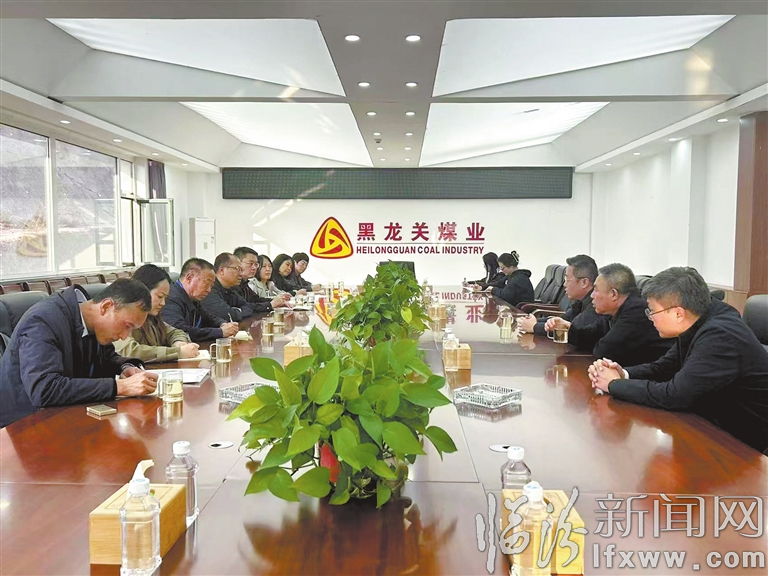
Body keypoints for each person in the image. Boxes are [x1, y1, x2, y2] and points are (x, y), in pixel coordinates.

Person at [589, 267, 768, 454]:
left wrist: (613, 384)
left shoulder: (720, 335)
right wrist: (623, 374)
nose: (650, 318)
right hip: (708, 422)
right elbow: (665, 366)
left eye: (652, 311)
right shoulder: (699, 318)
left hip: (741, 444)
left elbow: (676, 395)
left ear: (678, 314)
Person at [0, 279, 159, 427]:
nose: (125, 336)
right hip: (25, 426)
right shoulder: (42, 321)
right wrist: (120, 387)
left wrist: (125, 368)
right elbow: (44, 389)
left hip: (67, 417)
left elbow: (106, 357)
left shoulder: (90, 321)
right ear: (106, 307)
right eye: (127, 326)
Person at [547, 263, 671, 366]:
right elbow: (590, 334)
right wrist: (568, 329)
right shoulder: (613, 310)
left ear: (613, 294)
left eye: (596, 290)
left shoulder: (636, 311)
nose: (592, 295)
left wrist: (595, 341)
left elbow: (603, 351)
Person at [114, 265, 199, 362]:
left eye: (165, 298)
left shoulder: (152, 316)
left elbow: (174, 332)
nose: (163, 303)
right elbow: (130, 352)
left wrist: (179, 342)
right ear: (143, 291)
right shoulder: (123, 316)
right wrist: (177, 352)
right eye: (160, 296)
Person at [518, 254, 606, 341]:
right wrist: (534, 322)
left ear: (584, 283)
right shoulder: (581, 301)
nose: (564, 284)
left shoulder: (596, 304)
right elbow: (563, 320)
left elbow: (572, 331)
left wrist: (534, 327)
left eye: (567, 280)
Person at [162, 258, 239, 342]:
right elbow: (180, 331)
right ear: (189, 278)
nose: (209, 290)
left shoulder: (192, 298)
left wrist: (222, 324)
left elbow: (208, 318)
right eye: (206, 283)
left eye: (211, 286)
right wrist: (220, 332)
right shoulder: (170, 298)